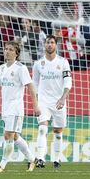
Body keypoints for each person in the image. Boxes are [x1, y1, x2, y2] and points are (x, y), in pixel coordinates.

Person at [0, 41, 41, 172]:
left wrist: (36, 106)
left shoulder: (21, 68)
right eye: (6, 49)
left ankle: (2, 165)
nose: (7, 51)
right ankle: (32, 159)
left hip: (16, 107)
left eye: (11, 49)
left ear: (16, 53)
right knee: (15, 137)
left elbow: (31, 87)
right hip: (5, 108)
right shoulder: (1, 69)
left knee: (8, 135)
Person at [33, 35, 72, 169]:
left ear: (56, 45)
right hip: (43, 101)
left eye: (52, 43)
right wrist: (35, 102)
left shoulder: (63, 62)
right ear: (45, 45)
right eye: (47, 43)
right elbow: (35, 84)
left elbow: (68, 82)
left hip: (59, 101)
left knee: (58, 131)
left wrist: (63, 98)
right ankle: (40, 158)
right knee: (42, 129)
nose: (49, 45)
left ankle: (56, 159)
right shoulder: (38, 64)